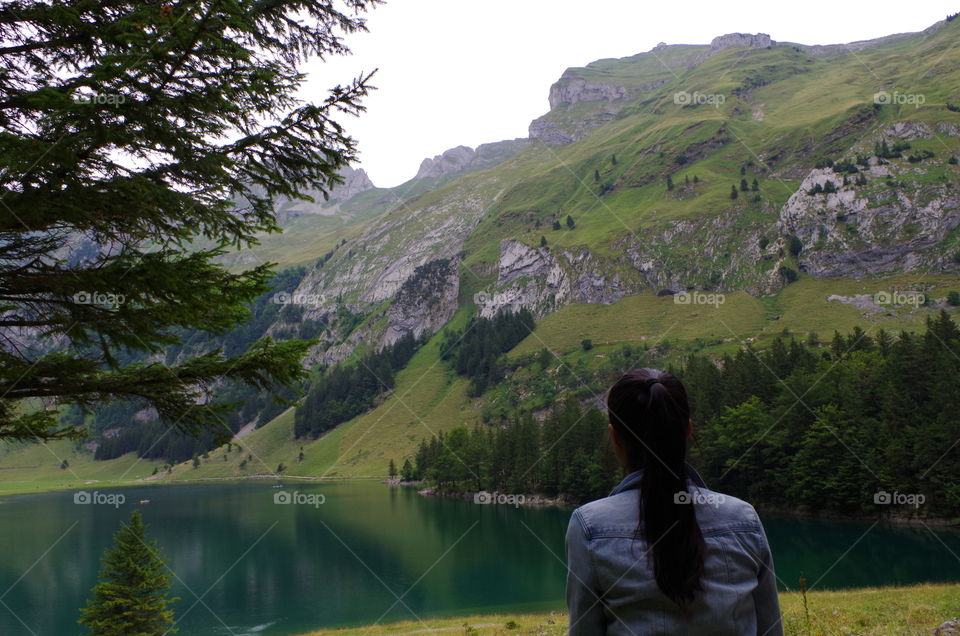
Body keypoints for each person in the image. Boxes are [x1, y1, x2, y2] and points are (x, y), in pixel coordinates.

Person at [565, 368, 783, 635]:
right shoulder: (743, 519)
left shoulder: (590, 527)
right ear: (688, 430)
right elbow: (770, 628)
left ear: (615, 437)